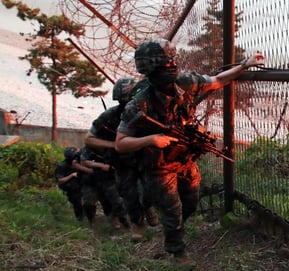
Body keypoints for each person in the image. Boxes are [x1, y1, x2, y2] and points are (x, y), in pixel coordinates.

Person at [115, 38, 265, 266]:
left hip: (184, 159)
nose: (172, 66)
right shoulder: (139, 103)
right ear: (151, 70)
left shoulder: (185, 83)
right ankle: (177, 251)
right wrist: (151, 139)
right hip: (159, 166)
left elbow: (217, 81)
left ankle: (163, 217)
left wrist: (245, 64)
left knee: (191, 202)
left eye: (172, 61)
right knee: (172, 210)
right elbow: (121, 142)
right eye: (166, 64)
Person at [84, 77, 159, 240]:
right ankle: (138, 225)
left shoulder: (149, 112)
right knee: (129, 195)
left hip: (146, 160)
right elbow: (89, 139)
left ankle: (148, 208)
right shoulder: (110, 115)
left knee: (149, 191)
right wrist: (115, 144)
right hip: (122, 163)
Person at [54, 146, 84, 221]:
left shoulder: (80, 162)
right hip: (71, 187)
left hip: (81, 184)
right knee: (77, 201)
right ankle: (80, 218)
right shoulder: (62, 165)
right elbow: (60, 180)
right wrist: (71, 175)